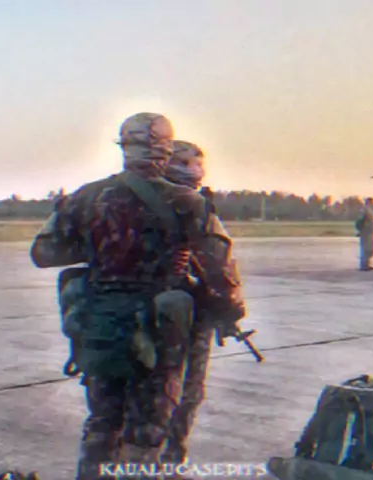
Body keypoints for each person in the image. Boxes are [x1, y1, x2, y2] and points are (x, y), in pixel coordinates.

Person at [29, 113, 246, 480]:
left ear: (124, 146)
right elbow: (221, 275)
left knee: (102, 421)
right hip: (159, 332)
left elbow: (44, 253)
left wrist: (104, 249)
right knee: (148, 430)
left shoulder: (86, 197)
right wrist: (229, 311)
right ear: (166, 150)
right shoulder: (188, 202)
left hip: (103, 323)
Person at [162, 140, 239, 466]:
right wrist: (231, 309)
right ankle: (170, 462)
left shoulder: (129, 199)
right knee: (186, 392)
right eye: (185, 162)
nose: (195, 169)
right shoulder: (192, 205)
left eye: (197, 162)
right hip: (187, 314)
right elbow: (219, 268)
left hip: (144, 312)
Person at [355, 197, 373, 271]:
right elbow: (359, 222)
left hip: (370, 232)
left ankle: (367, 263)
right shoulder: (365, 211)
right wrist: (361, 230)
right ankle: (364, 265)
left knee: (370, 249)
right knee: (366, 249)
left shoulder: (370, 211)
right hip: (366, 233)